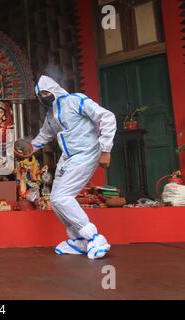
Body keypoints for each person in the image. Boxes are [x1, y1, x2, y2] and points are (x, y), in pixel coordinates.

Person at [31, 75, 117, 260]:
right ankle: (79, 240)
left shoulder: (75, 100)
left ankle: (95, 238)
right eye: (40, 95)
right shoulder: (50, 114)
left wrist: (106, 149)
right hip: (68, 157)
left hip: (87, 153)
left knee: (63, 197)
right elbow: (44, 136)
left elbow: (107, 117)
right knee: (55, 199)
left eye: (45, 93)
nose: (43, 97)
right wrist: (28, 149)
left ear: (54, 89)